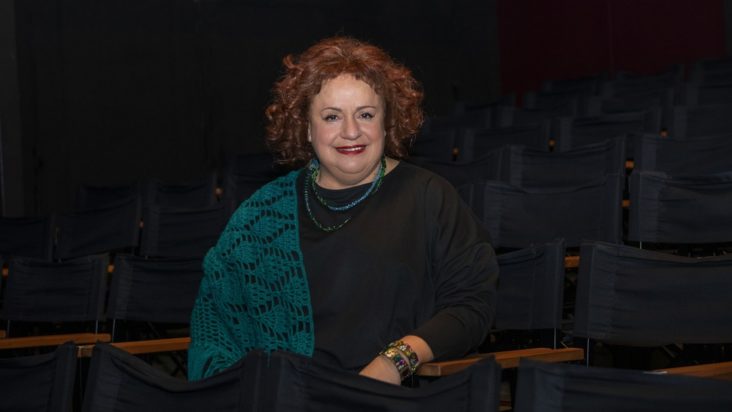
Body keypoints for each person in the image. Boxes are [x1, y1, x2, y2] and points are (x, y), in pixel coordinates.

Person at [188, 37, 498, 386]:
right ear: (306, 128)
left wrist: (394, 362)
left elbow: (472, 307)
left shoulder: (429, 196)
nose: (351, 132)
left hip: (391, 397)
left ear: (386, 122)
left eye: (365, 115)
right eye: (332, 117)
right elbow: (216, 328)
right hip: (291, 395)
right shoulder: (260, 215)